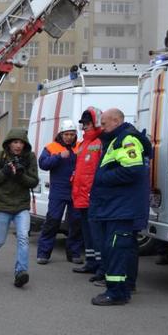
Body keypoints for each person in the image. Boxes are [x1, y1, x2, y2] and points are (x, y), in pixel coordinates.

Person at [89, 108, 151, 306]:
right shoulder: (117, 139)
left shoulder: (127, 139)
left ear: (116, 120)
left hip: (120, 207)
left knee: (115, 249)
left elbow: (134, 171)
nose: (102, 126)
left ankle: (116, 293)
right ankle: (125, 286)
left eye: (105, 123)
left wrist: (102, 178)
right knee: (124, 248)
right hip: (117, 206)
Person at [0, 128, 39, 288]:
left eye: (21, 142)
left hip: (21, 206)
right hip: (3, 205)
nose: (18, 145)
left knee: (23, 238)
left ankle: (20, 272)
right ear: (9, 143)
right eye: (15, 142)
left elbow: (34, 181)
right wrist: (6, 172)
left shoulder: (30, 157)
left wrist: (21, 174)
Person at [36, 120, 83, 265]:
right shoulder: (52, 147)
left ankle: (74, 254)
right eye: (66, 134)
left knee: (76, 222)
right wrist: (58, 157)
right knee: (53, 220)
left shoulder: (81, 146)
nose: (69, 137)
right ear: (61, 134)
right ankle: (43, 253)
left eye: (72, 134)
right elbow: (43, 164)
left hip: (76, 190)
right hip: (58, 190)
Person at [70, 108, 105, 275]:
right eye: (83, 124)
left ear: (95, 123)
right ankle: (91, 262)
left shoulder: (100, 142)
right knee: (87, 233)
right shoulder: (84, 144)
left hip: (93, 196)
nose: (84, 127)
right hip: (82, 196)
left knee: (96, 233)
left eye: (87, 124)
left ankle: (100, 265)